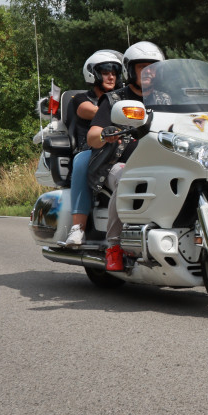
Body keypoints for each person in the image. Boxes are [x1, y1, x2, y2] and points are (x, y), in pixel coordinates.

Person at [85, 41, 165, 270]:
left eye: (154, 69)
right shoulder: (114, 100)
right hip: (117, 164)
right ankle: (114, 246)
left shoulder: (166, 100)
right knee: (127, 179)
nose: (149, 74)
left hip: (160, 163)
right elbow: (92, 136)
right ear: (131, 70)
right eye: (143, 69)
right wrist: (106, 133)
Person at [60, 50, 123, 248]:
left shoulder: (122, 98)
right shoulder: (80, 99)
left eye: (114, 71)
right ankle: (78, 228)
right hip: (91, 150)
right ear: (93, 74)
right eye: (105, 71)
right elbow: (91, 111)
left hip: (120, 150)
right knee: (81, 160)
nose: (111, 76)